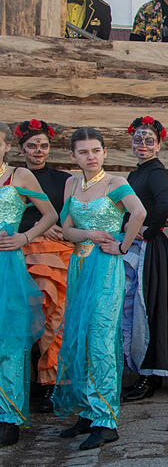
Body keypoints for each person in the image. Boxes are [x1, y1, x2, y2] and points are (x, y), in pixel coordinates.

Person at [55, 127, 146, 450]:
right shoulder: (71, 184)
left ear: (105, 152)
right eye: (83, 152)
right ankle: (88, 411)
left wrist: (123, 246)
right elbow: (66, 230)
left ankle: (107, 420)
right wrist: (91, 235)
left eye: (96, 150)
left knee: (100, 338)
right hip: (79, 267)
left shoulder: (115, 183)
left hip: (106, 269)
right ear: (73, 156)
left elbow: (139, 212)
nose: (90, 157)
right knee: (77, 336)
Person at [121, 117, 168, 402]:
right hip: (138, 245)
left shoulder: (156, 172)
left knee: (146, 309)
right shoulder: (136, 174)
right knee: (140, 309)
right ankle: (146, 371)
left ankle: (149, 375)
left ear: (159, 145)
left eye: (149, 140)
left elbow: (164, 205)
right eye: (139, 139)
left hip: (150, 248)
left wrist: (144, 232)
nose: (143, 145)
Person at [0, 122, 58, 447]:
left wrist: (25, 236)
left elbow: (50, 214)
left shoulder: (19, 177)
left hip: (7, 269)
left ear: (6, 147)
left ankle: (8, 417)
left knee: (8, 343)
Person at [14, 120, 72, 413]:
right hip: (20, 253)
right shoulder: (14, 178)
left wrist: (59, 227)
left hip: (55, 255)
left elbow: (71, 214)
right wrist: (39, 227)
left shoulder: (63, 180)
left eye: (43, 146)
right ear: (21, 149)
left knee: (54, 316)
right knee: (22, 317)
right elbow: (12, 215)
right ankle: (21, 381)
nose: (38, 151)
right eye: (32, 146)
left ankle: (52, 383)